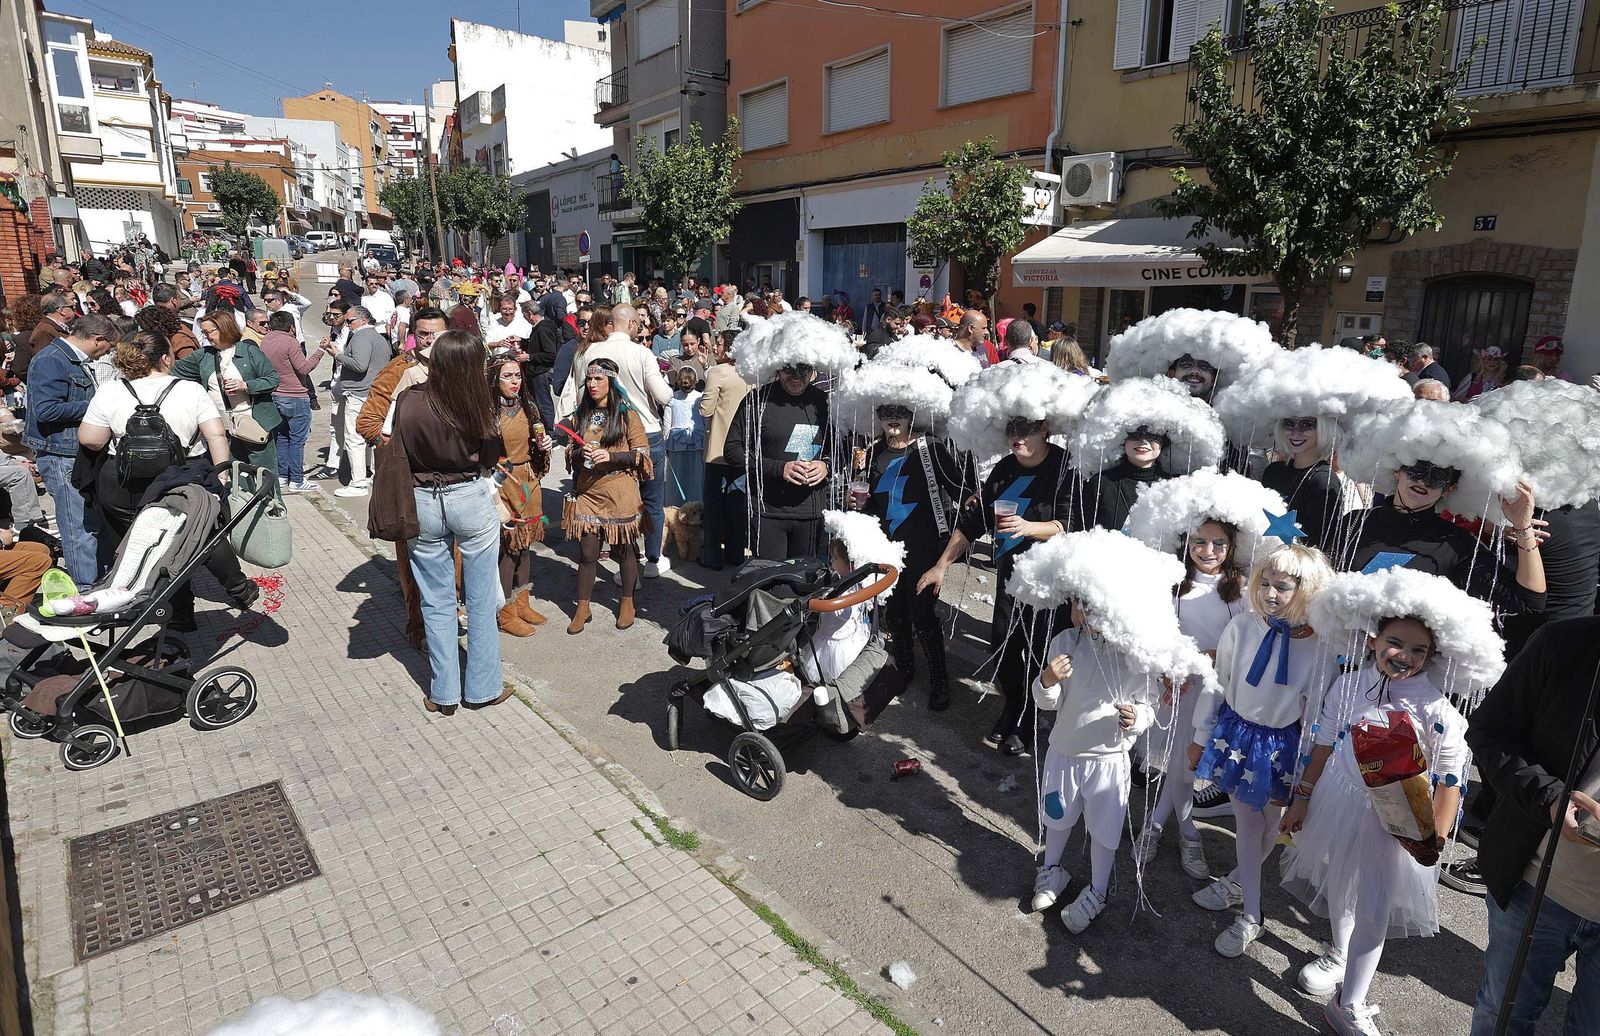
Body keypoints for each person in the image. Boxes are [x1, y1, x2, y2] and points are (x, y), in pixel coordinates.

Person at [1281, 579, 1486, 1036]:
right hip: (1341, 797)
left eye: (1418, 649)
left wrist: (1435, 832)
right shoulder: (1349, 685)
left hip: (1395, 821)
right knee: (1341, 882)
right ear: (1373, 640)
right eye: (1395, 642)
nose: (1404, 656)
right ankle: (1339, 952)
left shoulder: (1438, 711)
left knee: (1374, 907)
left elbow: (1451, 776)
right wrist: (1303, 796)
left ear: (1433, 656)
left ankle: (1349, 1003)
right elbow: (1323, 742)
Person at [1189, 543, 1337, 958]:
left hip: (1284, 749)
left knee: (1271, 828)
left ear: (1309, 589)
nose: (1271, 594)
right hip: (1238, 739)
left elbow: (1318, 711)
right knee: (1249, 827)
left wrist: (1308, 773)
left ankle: (1238, 882)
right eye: (1266, 583)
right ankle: (1252, 915)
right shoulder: (1243, 627)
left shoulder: (1322, 647)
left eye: (1284, 586)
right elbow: (1218, 681)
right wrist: (1201, 736)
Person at [1465, 616, 1600, 1036]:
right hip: (1535, 886)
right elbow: (1491, 732)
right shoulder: (1567, 643)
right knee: (1502, 1017)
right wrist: (1550, 797)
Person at [76, 330, 255, 630]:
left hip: (122, 484)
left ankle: (156, 611)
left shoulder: (110, 390)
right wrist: (221, 473)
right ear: (164, 357)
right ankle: (214, 599)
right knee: (192, 539)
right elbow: (216, 434)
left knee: (135, 549)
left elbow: (91, 439)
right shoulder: (190, 390)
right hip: (179, 480)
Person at [920, 417, 1072, 754]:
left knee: (1038, 653)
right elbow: (974, 523)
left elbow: (1070, 524)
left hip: (1050, 581)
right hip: (1009, 576)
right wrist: (941, 565)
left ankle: (1029, 719)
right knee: (1002, 647)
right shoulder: (1004, 469)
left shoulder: (1064, 467)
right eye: (1012, 430)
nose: (1017, 438)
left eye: (1026, 430)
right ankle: (1016, 704)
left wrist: (1029, 527)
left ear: (1045, 427)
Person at [389, 330, 511, 714]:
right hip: (468, 494)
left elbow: (398, 449)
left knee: (436, 600)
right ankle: (483, 687)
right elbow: (493, 456)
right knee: (479, 600)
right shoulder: (478, 403)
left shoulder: (409, 400)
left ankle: (444, 693)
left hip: (422, 497)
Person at [1029, 595, 1156, 931]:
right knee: (1056, 815)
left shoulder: (1137, 655)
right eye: (1080, 603)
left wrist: (1137, 717)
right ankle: (1052, 869)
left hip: (1108, 760)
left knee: (1104, 828)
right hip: (1064, 753)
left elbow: (1149, 703)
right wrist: (1047, 680)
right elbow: (1049, 702)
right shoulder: (1065, 640)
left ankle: (1098, 890)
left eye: (1096, 604)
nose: (1085, 613)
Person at [1135, 519, 1250, 878]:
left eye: (1219, 543)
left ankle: (1156, 827)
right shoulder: (1173, 587)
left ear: (1232, 547)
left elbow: (1247, 640)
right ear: (1185, 543)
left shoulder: (1241, 591)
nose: (1209, 551)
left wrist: (1217, 657)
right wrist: (1166, 670)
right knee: (1181, 767)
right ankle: (1184, 832)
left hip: (1218, 692)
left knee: (1186, 768)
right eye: (1199, 541)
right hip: (1180, 690)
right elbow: (1157, 635)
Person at [22, 312, 115, 587]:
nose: (105, 355)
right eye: (106, 348)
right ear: (97, 340)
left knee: (91, 519)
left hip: (77, 451)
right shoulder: (51, 360)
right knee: (77, 525)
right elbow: (46, 409)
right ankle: (85, 587)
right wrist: (97, 405)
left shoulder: (70, 359)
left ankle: (100, 578)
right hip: (60, 454)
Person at [583, 304, 673, 576]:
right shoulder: (641, 352)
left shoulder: (591, 351)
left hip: (607, 432)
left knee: (619, 500)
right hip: (646, 430)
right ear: (632, 324)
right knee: (652, 501)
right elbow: (664, 395)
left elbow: (582, 396)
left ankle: (627, 561)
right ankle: (652, 561)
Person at [562, 357, 651, 634]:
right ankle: (583, 606)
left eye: (598, 379)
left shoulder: (627, 415)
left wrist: (610, 456)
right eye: (589, 379)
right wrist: (580, 453)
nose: (592, 384)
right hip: (589, 490)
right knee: (587, 553)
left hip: (620, 490)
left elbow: (643, 454)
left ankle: (627, 602)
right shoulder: (581, 415)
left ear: (611, 382)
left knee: (623, 550)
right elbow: (569, 453)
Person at [724, 361, 830, 562]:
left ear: (813, 371)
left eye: (803, 370)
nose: (796, 377)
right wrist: (778, 468)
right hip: (768, 511)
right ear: (777, 367)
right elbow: (732, 450)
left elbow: (841, 448)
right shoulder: (757, 400)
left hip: (810, 512)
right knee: (770, 584)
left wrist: (826, 465)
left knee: (803, 583)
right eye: (789, 369)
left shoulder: (824, 402)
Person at [487, 350, 553, 637]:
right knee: (508, 550)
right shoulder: (488, 412)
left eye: (517, 375)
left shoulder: (529, 406)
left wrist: (544, 446)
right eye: (507, 376)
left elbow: (536, 439)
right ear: (494, 379)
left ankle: (521, 600)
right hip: (504, 482)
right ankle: (504, 611)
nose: (514, 381)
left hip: (529, 479)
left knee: (525, 546)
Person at [178, 311, 281, 471]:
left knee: (262, 471)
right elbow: (173, 369)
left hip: (253, 423)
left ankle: (268, 497)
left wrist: (245, 385)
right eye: (203, 332)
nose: (205, 337)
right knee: (234, 470)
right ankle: (241, 496)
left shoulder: (248, 351)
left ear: (224, 328)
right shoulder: (204, 355)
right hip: (223, 426)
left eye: (208, 332)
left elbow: (272, 380)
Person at [320, 306, 389, 497]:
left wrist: (338, 356)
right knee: (374, 436)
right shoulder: (379, 338)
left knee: (354, 438)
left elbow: (360, 365)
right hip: (375, 393)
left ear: (363, 320)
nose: (348, 325)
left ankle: (358, 483)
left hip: (360, 394)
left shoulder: (361, 337)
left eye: (350, 321)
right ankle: (375, 476)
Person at [699, 330, 750, 570]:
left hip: (718, 448)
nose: (714, 349)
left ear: (728, 348)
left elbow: (706, 409)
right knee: (736, 503)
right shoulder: (751, 373)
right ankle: (735, 553)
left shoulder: (717, 372)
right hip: (743, 448)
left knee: (713, 503)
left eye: (718, 344)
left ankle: (712, 555)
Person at [260, 310, 324, 492]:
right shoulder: (290, 342)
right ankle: (297, 479)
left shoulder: (266, 340)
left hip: (276, 395)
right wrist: (320, 351)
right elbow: (303, 368)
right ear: (291, 327)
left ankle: (282, 476)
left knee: (281, 438)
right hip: (295, 397)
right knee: (297, 440)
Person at [1260, 416, 1345, 552]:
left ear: (1325, 428)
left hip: (1297, 566)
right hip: (1262, 558)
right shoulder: (1273, 471)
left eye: (1307, 424)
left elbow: (1317, 546)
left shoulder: (1324, 481)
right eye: (1289, 424)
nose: (1295, 432)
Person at [663, 365, 705, 509]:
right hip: (697, 443)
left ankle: (675, 509)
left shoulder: (672, 399)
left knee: (676, 480)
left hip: (677, 444)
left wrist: (665, 444)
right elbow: (705, 421)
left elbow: (666, 425)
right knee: (696, 478)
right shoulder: (700, 398)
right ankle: (697, 509)